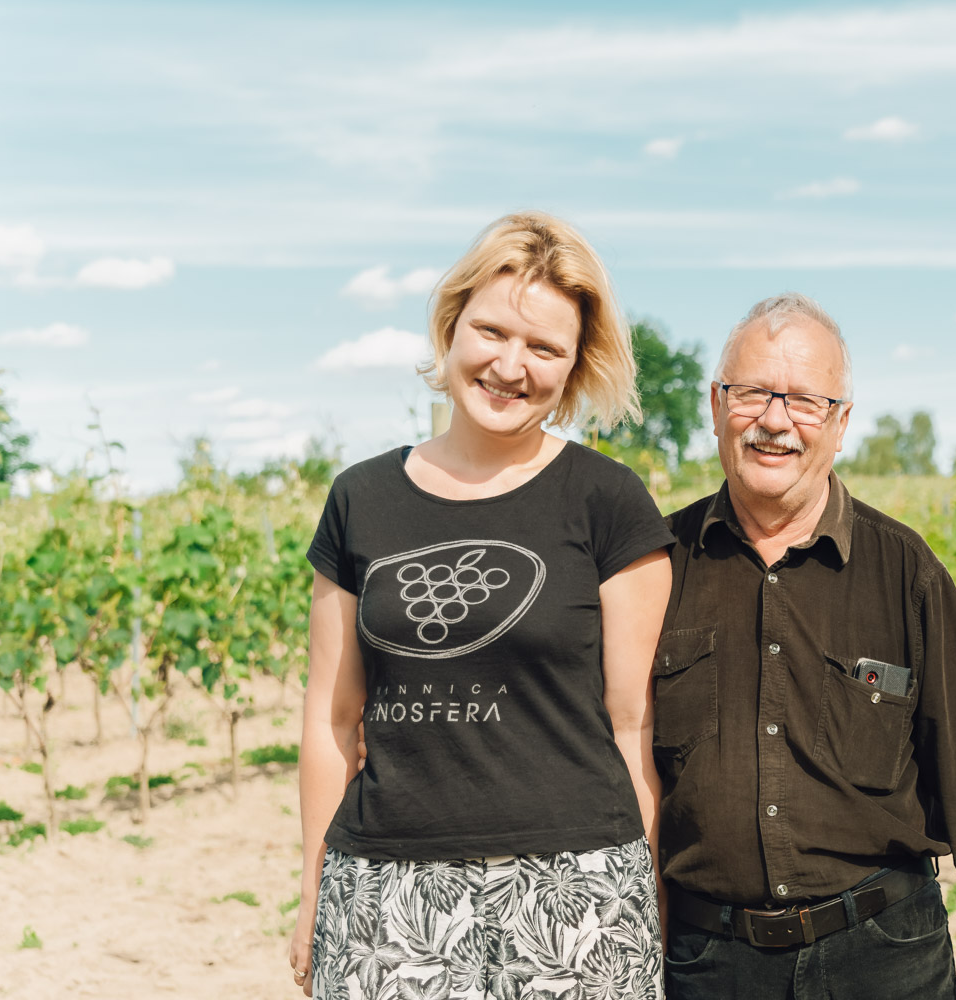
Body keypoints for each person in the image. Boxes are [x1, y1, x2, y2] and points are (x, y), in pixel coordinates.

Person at [289, 212, 675, 1000]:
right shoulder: (360, 499)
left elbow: (634, 725)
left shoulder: (608, 503)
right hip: (383, 892)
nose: (510, 365)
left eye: (544, 348)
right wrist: (313, 891)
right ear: (452, 322)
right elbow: (331, 718)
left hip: (574, 891)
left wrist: (645, 901)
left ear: (573, 368)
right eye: (492, 331)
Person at [652, 293, 956, 1000]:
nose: (775, 421)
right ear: (717, 407)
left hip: (883, 955)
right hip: (707, 963)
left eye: (806, 401)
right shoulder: (656, 569)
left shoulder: (904, 570)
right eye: (752, 394)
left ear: (840, 426)